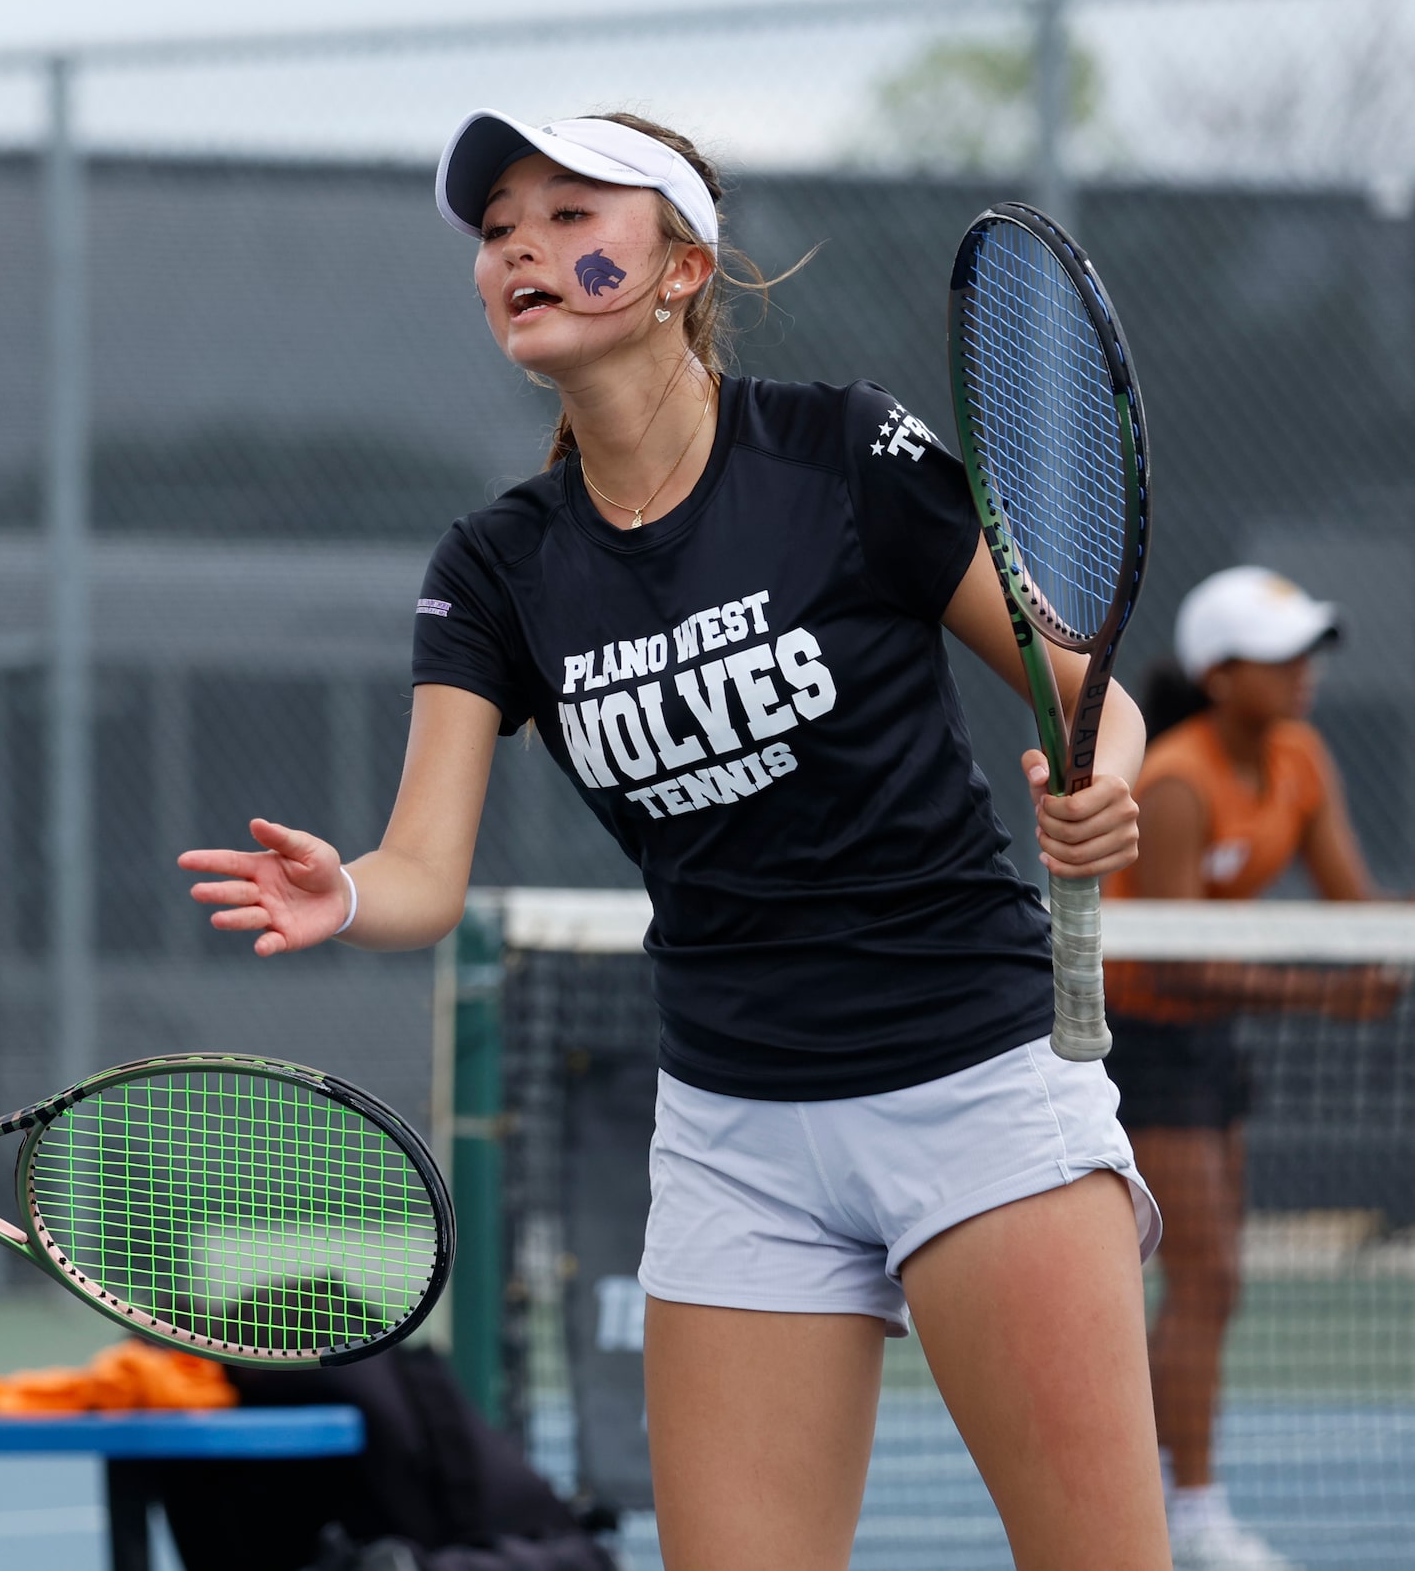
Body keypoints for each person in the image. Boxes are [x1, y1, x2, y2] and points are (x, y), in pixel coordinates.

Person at [182, 108, 1169, 1569]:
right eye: (500, 221)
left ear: (681, 267)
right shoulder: (498, 567)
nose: (521, 241)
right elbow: (419, 869)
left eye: (574, 212)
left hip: (977, 1087)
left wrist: (1103, 791)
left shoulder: (844, 453)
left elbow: (1094, 699)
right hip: (735, 1134)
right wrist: (344, 893)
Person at [1106, 566, 1400, 1571]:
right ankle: (1184, 1509)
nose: (1302, 675)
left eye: (1306, 652)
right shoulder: (1177, 780)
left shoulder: (1298, 758)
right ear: (1219, 675)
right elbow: (1174, 962)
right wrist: (1324, 995)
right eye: (1278, 659)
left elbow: (1355, 906)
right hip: (1133, 1036)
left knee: (1204, 1285)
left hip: (1208, 1037)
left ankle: (1155, 1491)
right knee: (1206, 1277)